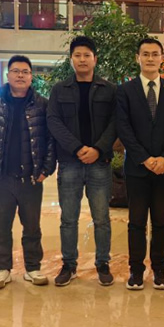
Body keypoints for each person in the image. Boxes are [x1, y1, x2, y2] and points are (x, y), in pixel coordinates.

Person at [0, 55, 56, 290]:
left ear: (31, 77)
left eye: (25, 72)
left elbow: (51, 139)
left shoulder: (42, 105)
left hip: (31, 178)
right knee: (1, 226)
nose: (20, 75)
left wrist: (45, 170)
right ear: (7, 75)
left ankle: (33, 267)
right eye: (16, 71)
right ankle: (2, 269)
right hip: (1, 178)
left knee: (32, 227)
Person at [47, 36, 117, 287]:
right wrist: (77, 148)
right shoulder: (59, 89)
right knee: (68, 218)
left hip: (100, 163)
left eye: (87, 55)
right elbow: (53, 121)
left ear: (95, 59)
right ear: (71, 60)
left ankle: (103, 263)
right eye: (77, 55)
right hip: (70, 162)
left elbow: (116, 123)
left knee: (101, 218)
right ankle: (69, 264)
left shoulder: (110, 89)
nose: (82, 59)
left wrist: (98, 149)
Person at [116, 38, 164, 290]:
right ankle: (136, 271)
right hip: (137, 168)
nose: (150, 58)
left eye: (155, 54)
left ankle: (160, 270)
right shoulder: (125, 90)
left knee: (162, 222)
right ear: (138, 58)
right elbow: (123, 128)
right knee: (136, 222)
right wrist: (144, 158)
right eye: (146, 54)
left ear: (162, 58)